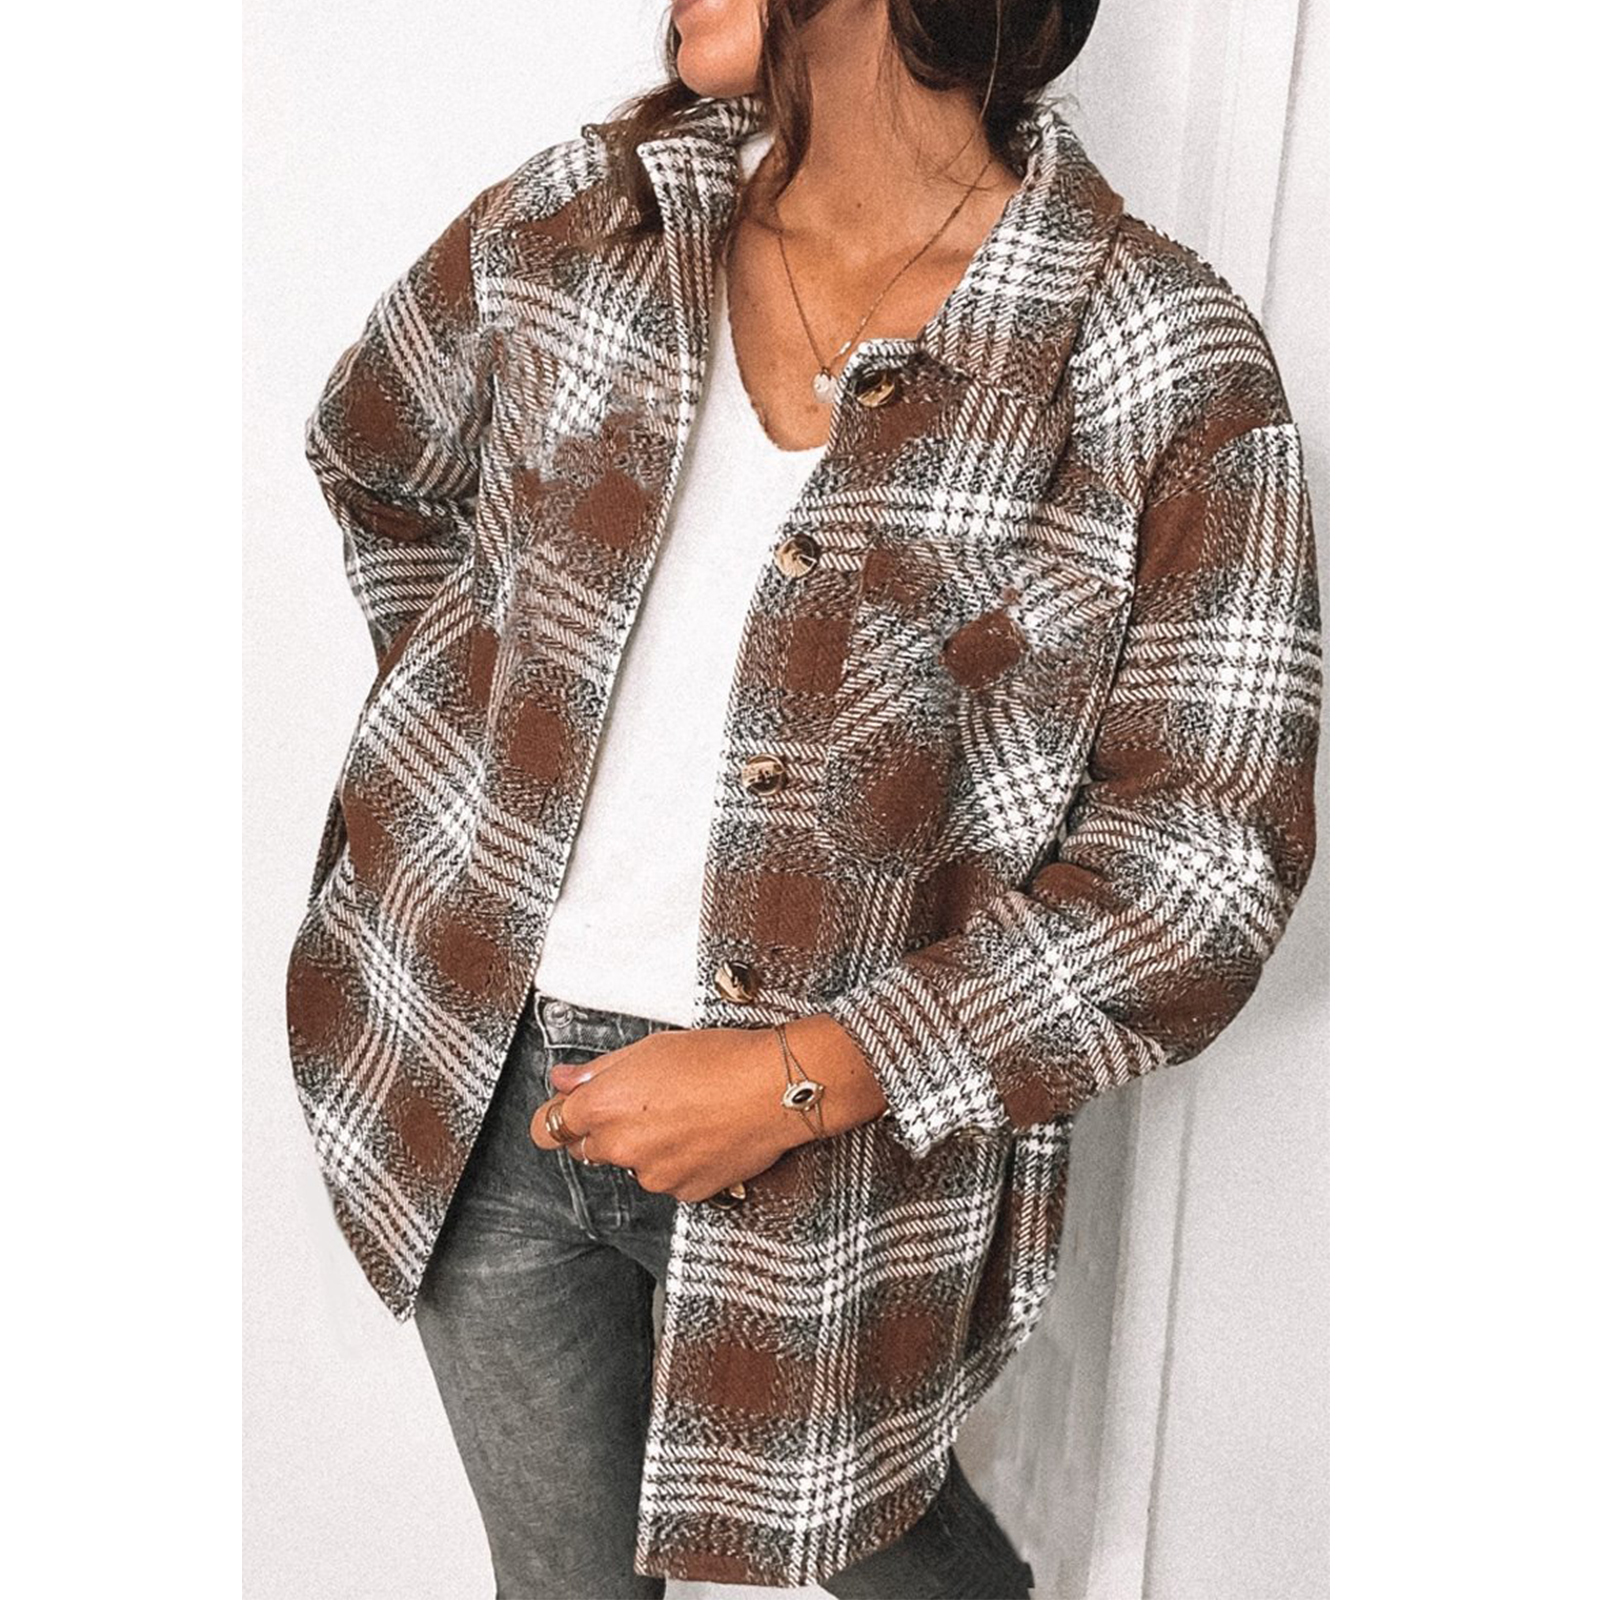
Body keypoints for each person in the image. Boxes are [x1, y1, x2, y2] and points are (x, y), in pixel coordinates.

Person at [284, 1, 1322, 1594]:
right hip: (475, 1080)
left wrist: (808, 1073)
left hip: (843, 1161)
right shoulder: (585, 222)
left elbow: (1206, 867)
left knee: (915, 1573)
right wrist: (474, 776)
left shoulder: (1149, 355)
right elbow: (382, 458)